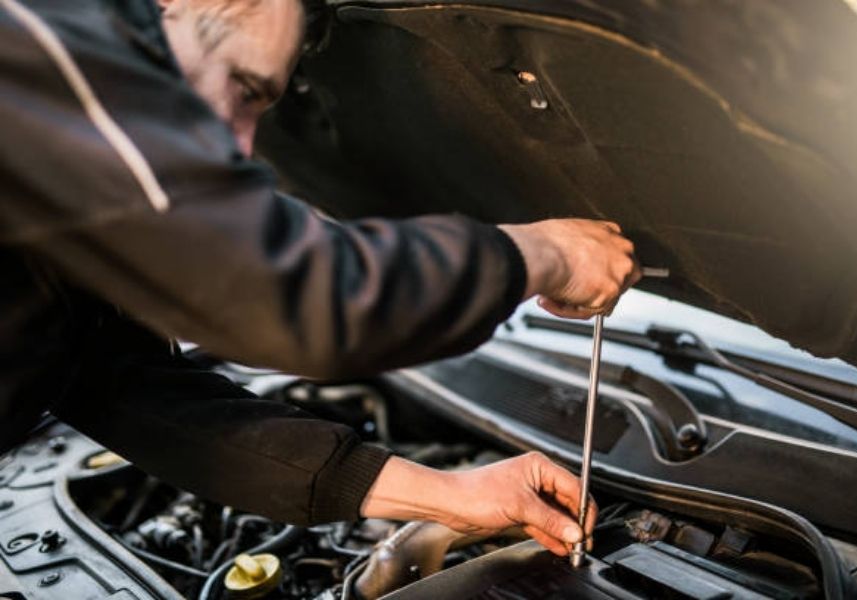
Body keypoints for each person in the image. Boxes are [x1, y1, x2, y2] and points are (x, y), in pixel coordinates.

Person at [0, 0, 641, 556]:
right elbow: (295, 299)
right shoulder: (35, 45)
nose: (245, 147)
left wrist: (448, 495)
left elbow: (131, 394)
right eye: (246, 89)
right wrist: (540, 255)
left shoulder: (59, 204)